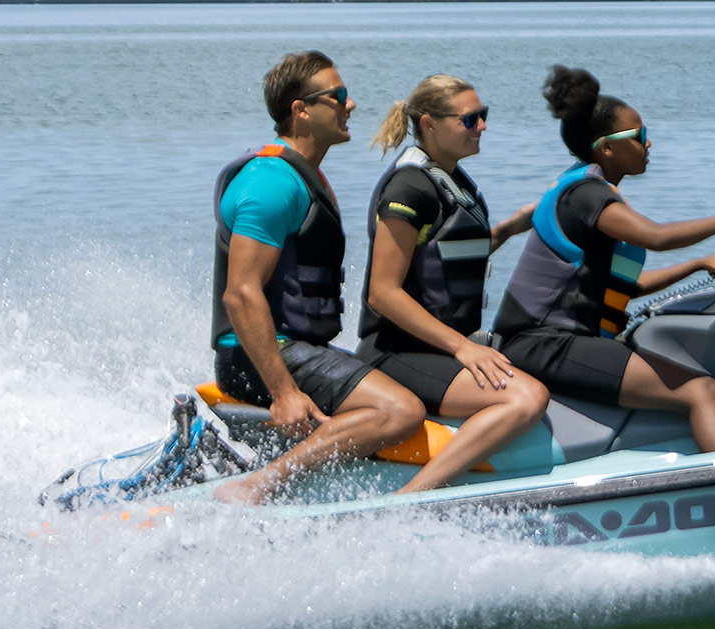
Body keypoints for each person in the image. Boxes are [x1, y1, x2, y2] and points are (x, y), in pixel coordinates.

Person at [492, 65, 715, 454]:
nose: (649, 144)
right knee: (700, 389)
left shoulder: (583, 184)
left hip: (551, 340)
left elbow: (623, 288)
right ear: (607, 148)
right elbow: (657, 237)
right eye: (640, 136)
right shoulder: (589, 196)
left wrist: (699, 264)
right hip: (546, 344)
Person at [209, 51, 426, 505]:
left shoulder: (304, 177)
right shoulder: (270, 181)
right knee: (400, 409)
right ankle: (255, 487)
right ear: (300, 110)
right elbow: (241, 294)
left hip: (298, 349)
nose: (350, 106)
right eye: (338, 96)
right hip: (260, 358)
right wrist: (284, 393)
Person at [354, 75, 554, 487]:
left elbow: (447, 259)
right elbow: (383, 292)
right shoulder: (409, 187)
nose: (482, 126)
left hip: (437, 347)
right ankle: (414, 497)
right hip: (397, 352)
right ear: (429, 123)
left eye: (483, 116)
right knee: (528, 397)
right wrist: (464, 348)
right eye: (470, 119)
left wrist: (513, 227)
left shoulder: (453, 181)